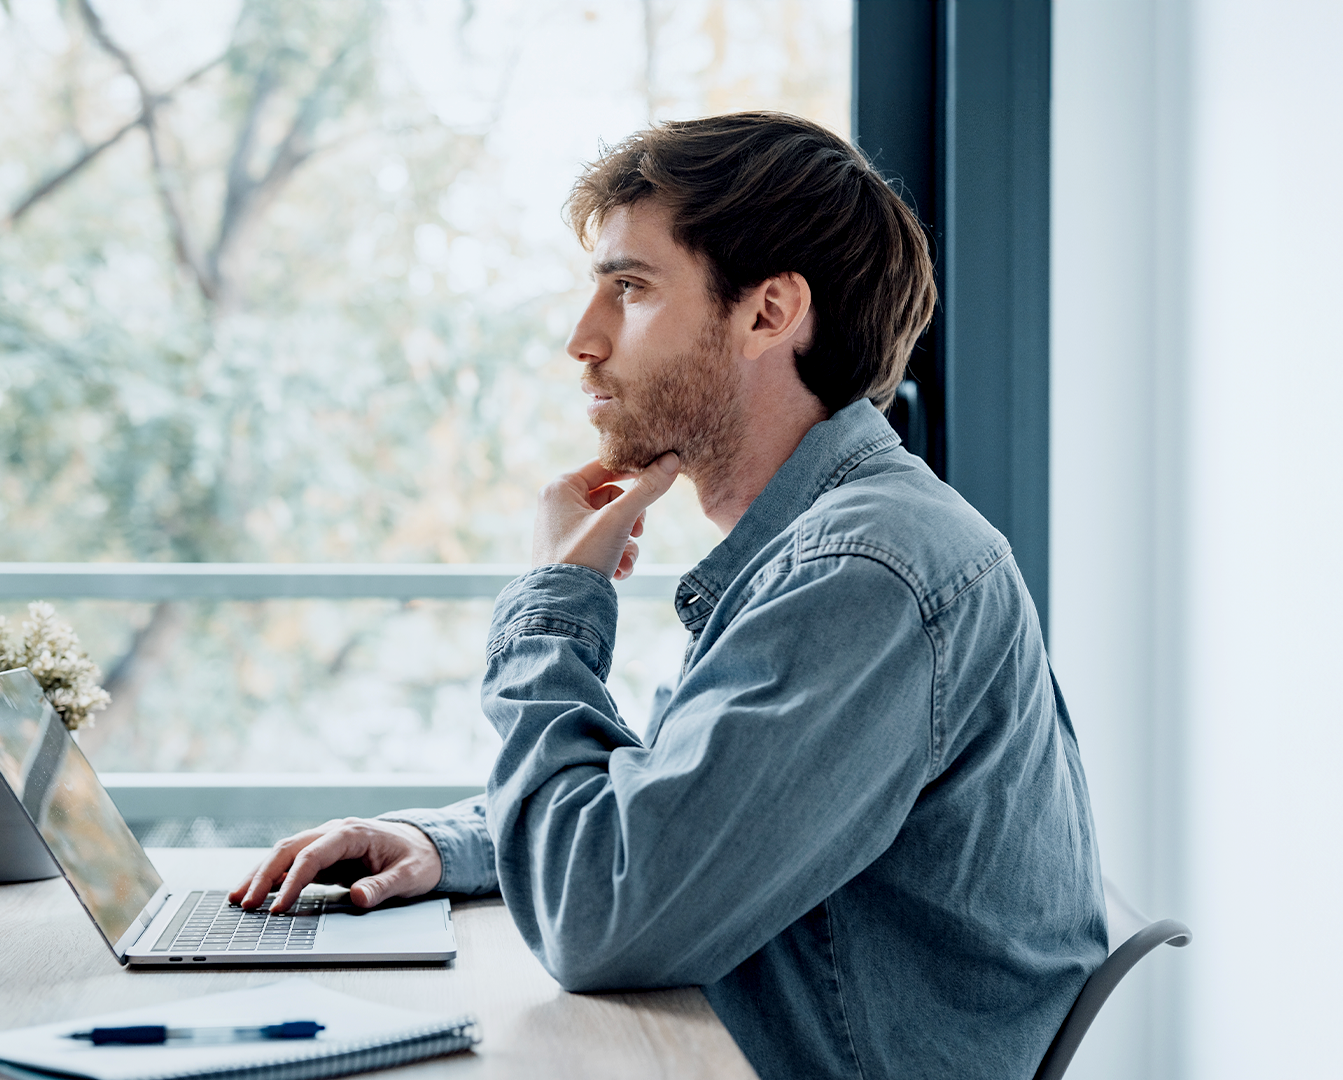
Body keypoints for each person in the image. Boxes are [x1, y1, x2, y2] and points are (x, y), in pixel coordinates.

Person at [231, 112, 1105, 1080]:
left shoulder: (867, 574)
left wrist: (553, 604)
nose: (582, 339)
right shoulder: (824, 547)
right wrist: (438, 845)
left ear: (768, 313)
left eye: (630, 289)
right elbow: (670, 806)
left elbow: (598, 917)